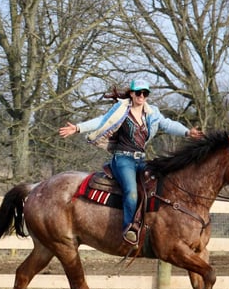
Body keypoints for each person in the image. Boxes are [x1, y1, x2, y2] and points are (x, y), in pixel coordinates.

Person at [59, 79, 202, 245]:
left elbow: (167, 124)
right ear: (132, 94)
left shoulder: (152, 113)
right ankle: (129, 228)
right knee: (132, 192)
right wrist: (77, 128)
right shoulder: (121, 109)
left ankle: (154, 226)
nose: (142, 96)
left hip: (141, 159)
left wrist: (187, 132)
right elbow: (101, 121)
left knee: (158, 187)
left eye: (145, 93)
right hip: (122, 159)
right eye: (139, 92)